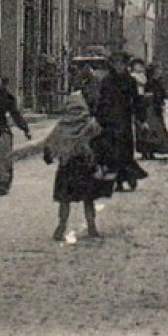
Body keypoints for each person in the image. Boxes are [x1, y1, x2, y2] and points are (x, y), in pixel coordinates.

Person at [42, 92, 110, 241]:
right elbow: (101, 144)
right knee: (88, 198)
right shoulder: (91, 125)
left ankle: (61, 226)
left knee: (65, 199)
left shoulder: (61, 127)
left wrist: (51, 156)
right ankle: (91, 226)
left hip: (66, 167)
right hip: (85, 167)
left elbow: (49, 146)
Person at [92, 50, 148, 192]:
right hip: (108, 121)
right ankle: (115, 181)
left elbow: (137, 101)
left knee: (124, 151)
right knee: (110, 152)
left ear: (125, 65)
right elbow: (101, 101)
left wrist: (142, 119)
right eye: (115, 63)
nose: (118, 66)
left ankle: (127, 177)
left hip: (124, 120)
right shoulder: (107, 81)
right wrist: (97, 118)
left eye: (121, 63)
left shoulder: (130, 81)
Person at [134, 61, 168, 160]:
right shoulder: (146, 82)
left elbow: (163, 93)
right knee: (146, 131)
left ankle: (152, 150)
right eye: (157, 71)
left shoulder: (157, 82)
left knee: (155, 131)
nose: (159, 73)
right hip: (146, 109)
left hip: (155, 109)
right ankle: (146, 151)